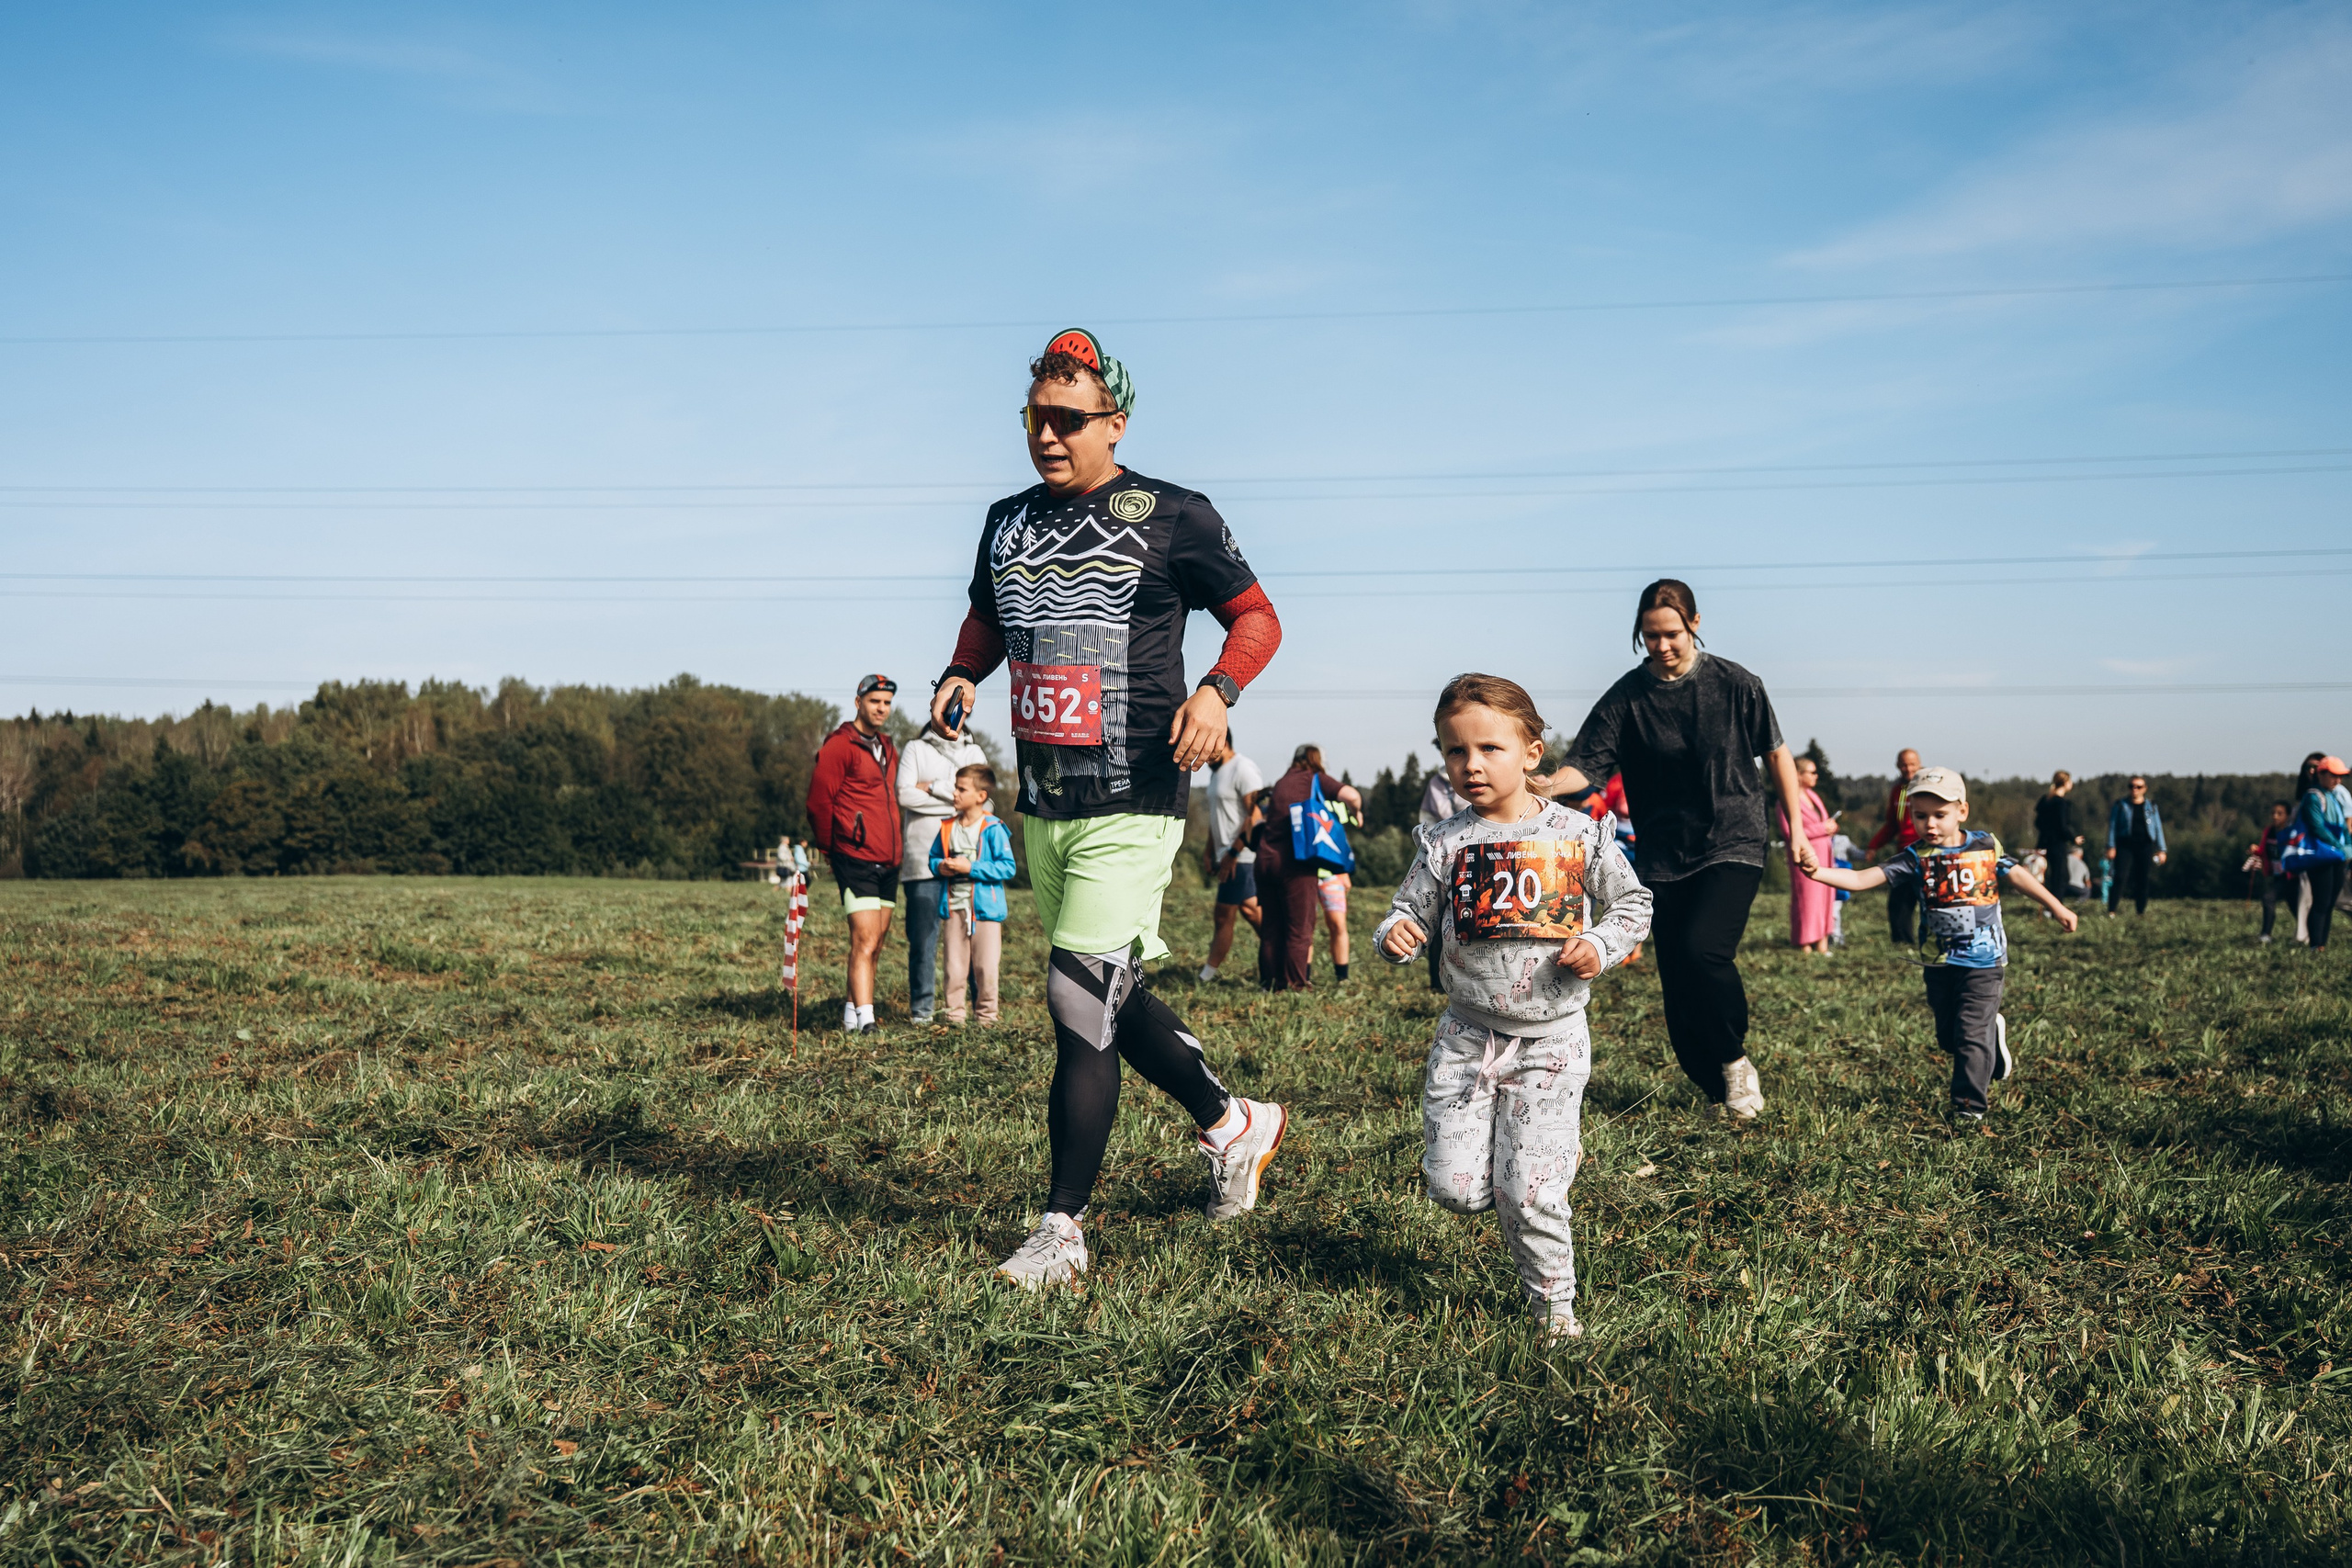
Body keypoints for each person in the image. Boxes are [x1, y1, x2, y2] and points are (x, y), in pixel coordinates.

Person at [928, 327, 1290, 1290]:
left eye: (1068, 419)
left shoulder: (1173, 514)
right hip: (1042, 799)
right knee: (1104, 997)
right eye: (1034, 419)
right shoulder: (1007, 520)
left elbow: (1257, 616)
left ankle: (1062, 1231)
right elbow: (985, 611)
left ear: (1113, 423)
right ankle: (1232, 1123)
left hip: (1137, 793)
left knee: (1071, 998)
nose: (1048, 436)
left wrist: (1216, 692)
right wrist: (964, 669)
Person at [1374, 674, 1652, 1341]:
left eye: (1489, 748)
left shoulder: (1577, 835)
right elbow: (1407, 910)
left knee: (1527, 1191)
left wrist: (1598, 940)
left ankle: (1555, 1313)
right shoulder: (1445, 842)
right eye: (1454, 751)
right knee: (1456, 1187)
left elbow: (1633, 904)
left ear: (1531, 751)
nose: (1471, 764)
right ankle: (1518, 1175)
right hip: (1466, 1038)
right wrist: (1396, 934)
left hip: (1551, 1042)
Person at [1539, 580, 1817, 1121]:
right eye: (1649, 637)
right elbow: (1586, 766)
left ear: (1694, 622)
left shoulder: (1736, 683)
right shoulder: (1627, 697)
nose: (1661, 646)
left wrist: (1797, 829)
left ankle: (1735, 1062)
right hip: (1663, 853)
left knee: (1703, 951)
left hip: (1734, 837)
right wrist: (1543, 785)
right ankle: (1715, 1087)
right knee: (1676, 978)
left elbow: (1778, 756)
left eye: (1671, 633)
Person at [1803, 768, 2077, 1122]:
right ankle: (1990, 1038)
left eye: (1939, 815)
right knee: (1950, 1037)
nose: (1929, 824)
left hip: (1985, 961)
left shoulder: (1984, 846)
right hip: (1938, 962)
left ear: (1962, 811)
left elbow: (2019, 875)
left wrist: (2056, 906)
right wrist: (1817, 872)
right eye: (1920, 816)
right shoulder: (1916, 856)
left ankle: (1969, 1108)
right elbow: (1860, 878)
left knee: (1969, 1034)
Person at [804, 674, 903, 1033]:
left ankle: (850, 1016)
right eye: (875, 701)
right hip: (855, 856)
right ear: (858, 701)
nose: (882, 709)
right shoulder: (839, 746)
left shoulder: (889, 747)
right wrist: (832, 848)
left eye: (887, 703)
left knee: (875, 943)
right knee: (863, 939)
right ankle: (867, 1022)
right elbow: (818, 803)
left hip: (889, 859)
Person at [898, 715, 989, 1023]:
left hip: (965, 861)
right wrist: (959, 804)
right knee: (923, 940)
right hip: (922, 861)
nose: (955, 719)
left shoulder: (974, 753)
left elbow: (986, 805)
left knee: (970, 940)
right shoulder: (915, 748)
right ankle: (921, 1012)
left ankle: (977, 1011)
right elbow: (903, 794)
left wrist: (933, 788)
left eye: (962, 714)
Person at [1256, 744, 1364, 992]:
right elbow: (1352, 795)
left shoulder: (1282, 782)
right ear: (1316, 760)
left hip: (1265, 860)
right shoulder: (1313, 778)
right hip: (1295, 862)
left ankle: (1268, 984)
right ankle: (1294, 985)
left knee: (1272, 927)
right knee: (1299, 928)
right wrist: (1356, 811)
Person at [927, 764, 1017, 1024]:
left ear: (981, 795)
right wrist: (940, 867)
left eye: (961, 789)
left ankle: (987, 1018)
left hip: (986, 912)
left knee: (986, 968)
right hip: (954, 909)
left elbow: (1007, 866)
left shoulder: (993, 827)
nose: (954, 793)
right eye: (955, 787)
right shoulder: (947, 827)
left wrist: (971, 868)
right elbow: (933, 859)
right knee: (953, 968)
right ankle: (954, 1017)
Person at [1199, 732, 1265, 984]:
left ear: (1222, 742)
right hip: (1226, 855)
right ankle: (1281, 954)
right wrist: (1209, 851)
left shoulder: (1243, 768)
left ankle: (1207, 975)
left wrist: (1233, 853)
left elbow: (1255, 816)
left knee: (1223, 915)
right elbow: (1217, 818)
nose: (1203, 756)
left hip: (1244, 856)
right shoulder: (1216, 773)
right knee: (1251, 911)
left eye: (1207, 748)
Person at [1419, 762, 1473, 991]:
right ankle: (1437, 982)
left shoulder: (1438, 781)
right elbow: (1435, 816)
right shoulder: (1437, 782)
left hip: (1465, 852)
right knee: (1440, 918)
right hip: (1444, 852)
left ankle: (1456, 981)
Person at [1776, 756, 1837, 953]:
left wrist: (1830, 827)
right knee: (1807, 900)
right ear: (1798, 775)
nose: (1815, 776)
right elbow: (1788, 832)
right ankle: (1804, 944)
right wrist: (1822, 828)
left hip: (1825, 855)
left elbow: (1823, 822)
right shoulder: (1785, 800)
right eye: (1811, 772)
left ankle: (1822, 942)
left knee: (1825, 897)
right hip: (1804, 855)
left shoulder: (1814, 796)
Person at [2290, 757, 2349, 951]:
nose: (2338, 780)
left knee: (2330, 901)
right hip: (2321, 855)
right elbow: (2317, 827)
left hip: (2337, 856)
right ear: (2322, 774)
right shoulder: (2313, 797)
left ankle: (2322, 943)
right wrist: (2338, 847)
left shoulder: (2332, 795)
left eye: (2340, 777)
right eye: (2334, 776)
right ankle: (2316, 945)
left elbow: (2342, 827)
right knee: (2321, 901)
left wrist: (2347, 847)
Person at [1867, 749, 1925, 943]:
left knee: (1931, 901)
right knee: (1898, 902)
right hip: (1904, 854)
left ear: (1919, 764)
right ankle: (1902, 944)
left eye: (1912, 764)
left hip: (1927, 852)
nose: (1908, 769)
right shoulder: (1897, 791)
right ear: (1898, 766)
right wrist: (1874, 845)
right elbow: (1892, 824)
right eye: (1903, 765)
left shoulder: (1928, 786)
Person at [2104, 775, 2166, 917]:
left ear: (2144, 789)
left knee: (2143, 878)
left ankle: (2140, 912)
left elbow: (2158, 828)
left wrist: (2161, 849)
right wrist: (2110, 846)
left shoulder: (2152, 806)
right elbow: (2112, 827)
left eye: (2138, 787)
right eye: (2132, 786)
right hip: (2125, 845)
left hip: (2145, 845)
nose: (2135, 789)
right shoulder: (2120, 805)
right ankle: (2111, 910)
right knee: (2120, 877)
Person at [1317, 795, 1360, 981]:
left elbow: (1340, 833)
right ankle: (1303, 978)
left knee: (1338, 925)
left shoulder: (1333, 801)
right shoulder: (1297, 794)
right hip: (1303, 873)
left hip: (1332, 873)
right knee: (1304, 928)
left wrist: (1343, 869)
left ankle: (1342, 978)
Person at [2034, 771, 2084, 900]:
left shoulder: (2045, 800)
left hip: (2045, 843)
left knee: (2051, 876)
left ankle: (2050, 905)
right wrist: (2073, 838)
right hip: (2058, 844)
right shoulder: (2061, 804)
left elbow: (2038, 822)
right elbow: (2062, 826)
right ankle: (2056, 907)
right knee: (2061, 877)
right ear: (2066, 783)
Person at [2253, 801, 2295, 944]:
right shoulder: (2268, 831)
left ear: (2288, 816)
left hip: (2292, 876)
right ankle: (2305, 933)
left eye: (2280, 813)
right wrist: (2255, 851)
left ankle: (2266, 934)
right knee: (2292, 905)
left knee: (2269, 898)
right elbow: (2264, 850)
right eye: (2273, 813)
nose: (2275, 816)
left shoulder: (2292, 832)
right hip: (2277, 875)